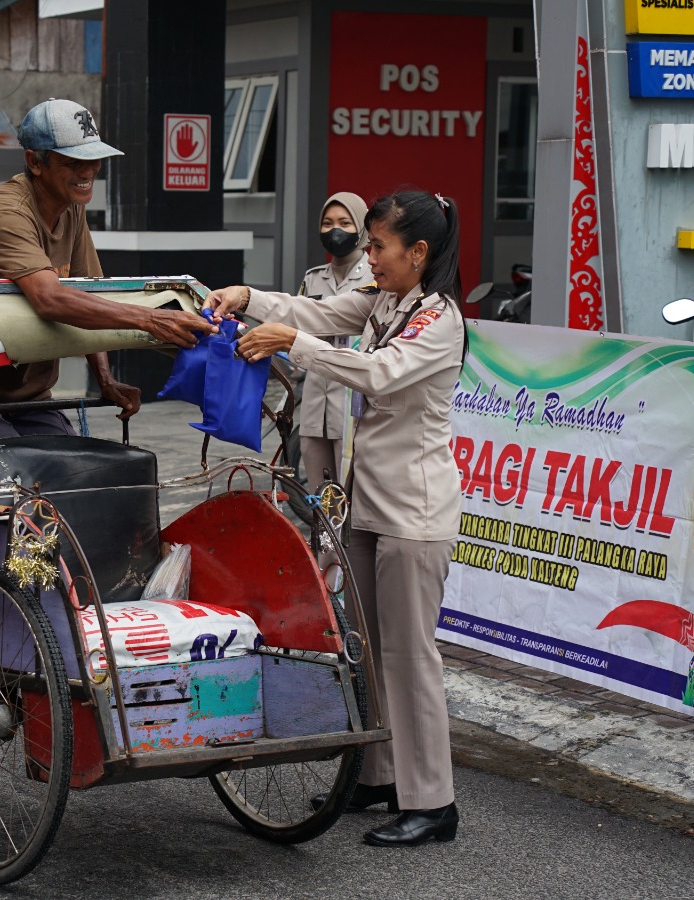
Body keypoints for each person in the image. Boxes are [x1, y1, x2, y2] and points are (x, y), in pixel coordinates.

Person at [206, 190, 466, 847]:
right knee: (371, 650)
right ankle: (381, 777)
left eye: (379, 247)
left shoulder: (439, 319)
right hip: (371, 500)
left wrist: (295, 344)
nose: (369, 257)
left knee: (411, 656)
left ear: (419, 253)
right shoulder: (384, 300)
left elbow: (378, 374)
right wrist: (248, 298)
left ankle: (433, 802)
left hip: (415, 510)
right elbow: (318, 309)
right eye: (371, 244)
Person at [0, 97, 212, 448]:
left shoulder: (70, 208)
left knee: (71, 473)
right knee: (12, 475)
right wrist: (152, 320)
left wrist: (105, 378)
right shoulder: (6, 214)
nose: (87, 171)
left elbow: (90, 292)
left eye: (93, 159)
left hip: (24, 389)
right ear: (35, 162)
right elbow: (50, 299)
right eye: (73, 161)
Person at [294, 191, 373, 489]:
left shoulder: (376, 278)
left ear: (362, 228)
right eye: (326, 223)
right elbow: (300, 325)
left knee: (352, 496)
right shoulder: (313, 278)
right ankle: (321, 537)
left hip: (353, 405)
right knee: (319, 495)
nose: (334, 230)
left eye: (344, 222)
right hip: (315, 402)